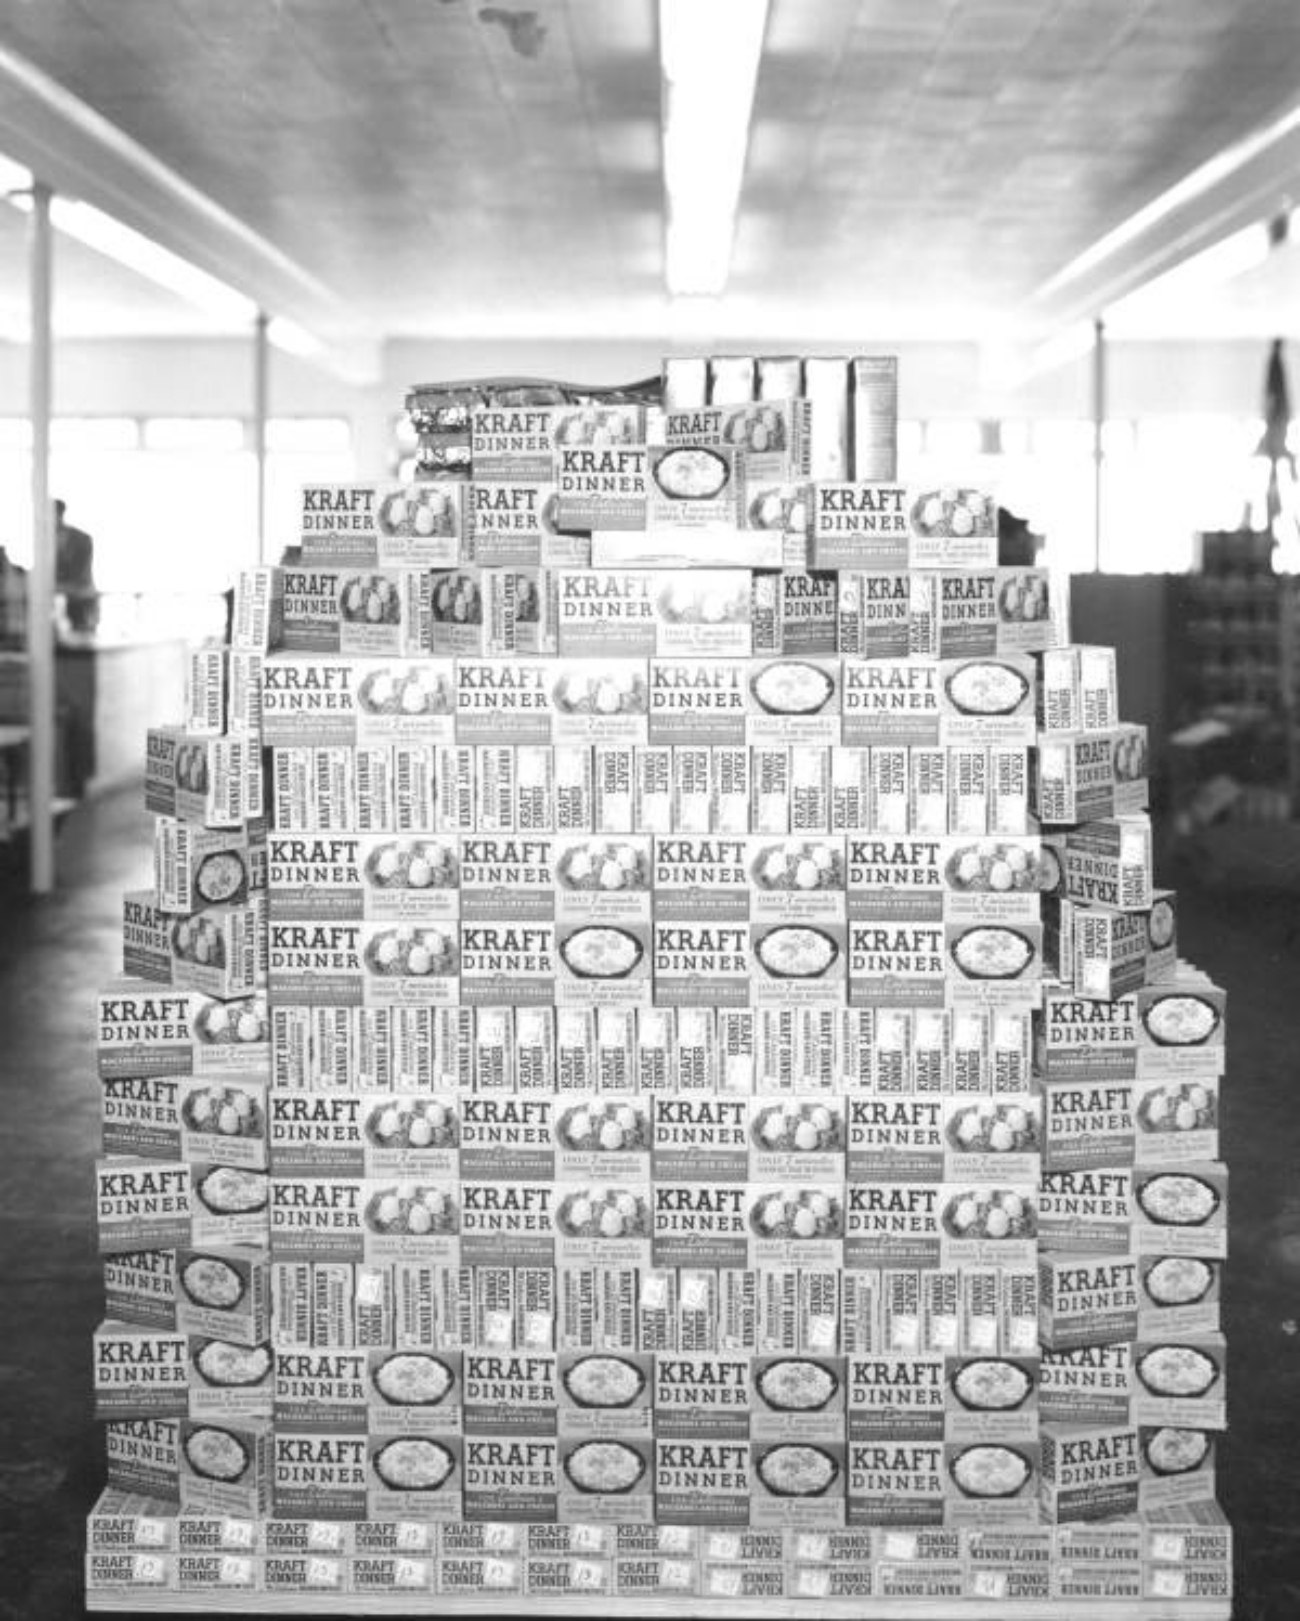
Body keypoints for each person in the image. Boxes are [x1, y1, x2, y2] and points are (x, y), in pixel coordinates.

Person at [54, 498, 98, 633]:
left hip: (81, 599)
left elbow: (82, 573)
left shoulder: (82, 538)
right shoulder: (45, 539)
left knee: (82, 639)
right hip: (58, 599)